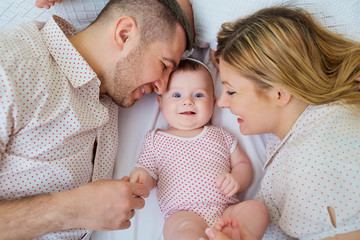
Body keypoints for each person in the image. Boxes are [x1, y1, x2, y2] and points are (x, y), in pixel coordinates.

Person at [0, 0, 193, 239]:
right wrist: (72, 210)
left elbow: (177, 7)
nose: (163, 87)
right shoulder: (11, 68)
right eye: (164, 65)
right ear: (124, 34)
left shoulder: (108, 91)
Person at [205, 6, 360, 240]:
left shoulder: (319, 160)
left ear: (279, 94)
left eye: (231, 91)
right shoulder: (314, 124)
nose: (222, 103)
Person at [129, 58, 269, 240]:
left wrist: (237, 179)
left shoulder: (221, 135)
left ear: (213, 102)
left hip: (227, 211)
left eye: (198, 95)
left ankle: (237, 235)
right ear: (160, 102)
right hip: (183, 213)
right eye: (177, 95)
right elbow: (149, 174)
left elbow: (242, 164)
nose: (187, 102)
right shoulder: (156, 140)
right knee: (179, 228)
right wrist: (142, 179)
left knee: (257, 209)